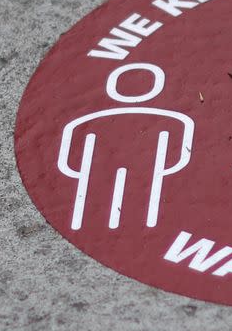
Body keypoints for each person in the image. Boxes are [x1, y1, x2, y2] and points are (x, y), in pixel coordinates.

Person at [57, 63, 194, 230]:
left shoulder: (93, 121)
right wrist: (162, 169)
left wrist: (81, 170)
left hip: (100, 168)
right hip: (146, 167)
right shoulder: (169, 119)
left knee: (95, 200)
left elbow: (70, 157)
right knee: (143, 201)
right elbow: (179, 155)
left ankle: (92, 223)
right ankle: (142, 227)